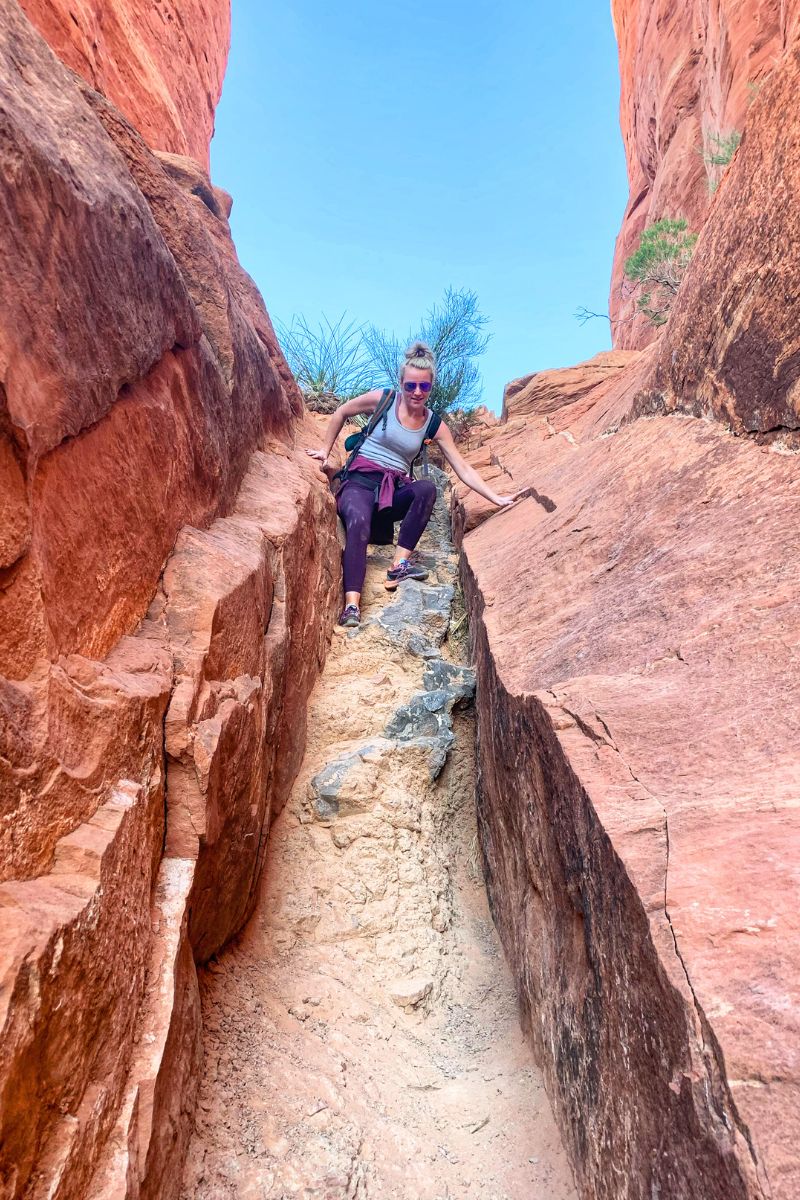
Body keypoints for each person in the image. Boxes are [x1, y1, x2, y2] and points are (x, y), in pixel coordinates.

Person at [308, 341, 523, 627]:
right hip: (359, 482)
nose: (417, 392)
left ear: (431, 386)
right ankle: (351, 606)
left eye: (424, 387)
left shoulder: (433, 424)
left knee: (426, 489)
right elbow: (341, 412)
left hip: (391, 492)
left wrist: (495, 498)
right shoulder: (384, 399)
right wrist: (325, 449)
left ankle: (399, 565)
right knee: (358, 521)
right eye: (411, 386)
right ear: (401, 384)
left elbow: (462, 467)